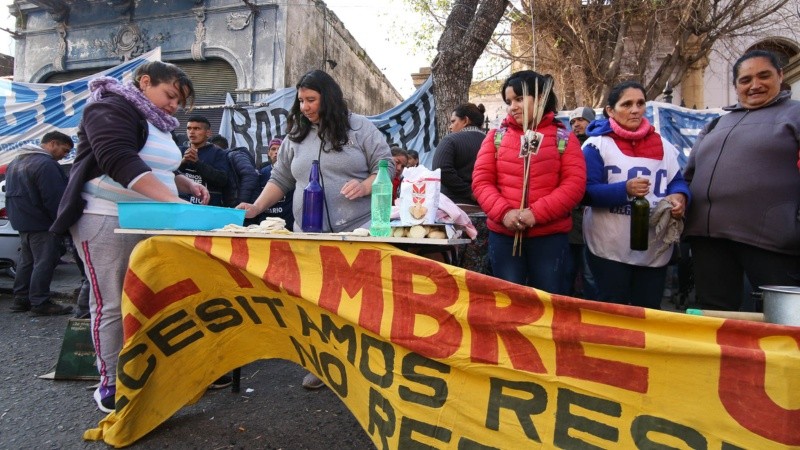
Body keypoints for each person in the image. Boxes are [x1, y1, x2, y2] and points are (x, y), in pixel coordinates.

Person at [49, 61, 213, 413]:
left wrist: (184, 183)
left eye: (179, 102)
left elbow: (158, 167)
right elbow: (118, 158)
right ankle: (110, 383)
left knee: (150, 299)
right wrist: (172, 199)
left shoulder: (158, 122)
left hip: (151, 220)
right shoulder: (107, 106)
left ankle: (145, 369)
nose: (173, 106)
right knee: (111, 301)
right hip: (107, 218)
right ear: (145, 81)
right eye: (169, 95)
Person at [237, 69, 393, 389]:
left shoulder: (360, 128)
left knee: (357, 303)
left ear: (329, 98)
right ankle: (322, 363)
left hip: (357, 232)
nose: (305, 107)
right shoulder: (296, 133)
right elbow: (281, 178)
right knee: (314, 303)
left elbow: (386, 166)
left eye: (311, 100)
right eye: (301, 100)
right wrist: (255, 208)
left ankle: (366, 367)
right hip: (307, 235)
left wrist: (365, 186)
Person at [683, 50, 800, 311]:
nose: (755, 85)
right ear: (736, 86)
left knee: (776, 321)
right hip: (708, 240)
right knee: (714, 317)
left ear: (780, 76)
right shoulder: (715, 124)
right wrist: (678, 197)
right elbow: (687, 176)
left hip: (772, 242)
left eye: (764, 76)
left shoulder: (795, 115)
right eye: (746, 80)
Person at [472, 70, 586, 294]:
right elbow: (481, 182)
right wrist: (505, 213)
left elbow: (574, 185)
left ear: (541, 97)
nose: (513, 106)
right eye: (509, 101)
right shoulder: (496, 136)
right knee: (508, 300)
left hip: (549, 238)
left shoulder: (564, 138)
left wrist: (536, 213)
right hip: (504, 236)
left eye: (519, 99)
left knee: (547, 300)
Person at [582, 80, 690, 309]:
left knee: (648, 311)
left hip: (653, 247)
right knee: (613, 312)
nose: (635, 110)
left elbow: (677, 181)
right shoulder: (596, 145)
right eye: (627, 104)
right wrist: (624, 190)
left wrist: (680, 197)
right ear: (610, 110)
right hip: (609, 248)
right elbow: (585, 192)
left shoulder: (663, 144)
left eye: (640, 103)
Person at [6, 131, 74, 315]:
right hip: (42, 222)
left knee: (27, 261)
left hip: (22, 221)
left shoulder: (16, 162)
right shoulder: (46, 164)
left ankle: (21, 299)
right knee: (44, 261)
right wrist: (62, 223)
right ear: (52, 143)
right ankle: (40, 302)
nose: (64, 156)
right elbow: (54, 199)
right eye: (65, 150)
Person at [566, 106, 597, 299]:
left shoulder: (597, 145)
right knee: (568, 268)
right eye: (573, 122)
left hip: (591, 215)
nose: (576, 124)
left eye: (581, 120)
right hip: (571, 218)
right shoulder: (569, 145)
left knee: (590, 271)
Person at [431, 103, 486, 206]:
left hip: (453, 206)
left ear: (465, 120)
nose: (450, 127)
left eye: (453, 121)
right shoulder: (492, 143)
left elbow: (441, 170)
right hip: (486, 206)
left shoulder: (450, 140)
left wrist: (470, 193)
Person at [179, 115, 232, 206]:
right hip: (180, 204)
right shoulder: (179, 150)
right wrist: (182, 162)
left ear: (208, 133)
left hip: (207, 206)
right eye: (189, 128)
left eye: (197, 129)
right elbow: (168, 174)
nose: (191, 132)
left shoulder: (218, 153)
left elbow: (222, 180)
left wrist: (197, 163)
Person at [209, 134, 260, 207]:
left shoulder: (234, 155)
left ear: (214, 147)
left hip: (244, 207)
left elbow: (250, 175)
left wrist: (241, 202)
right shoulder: (220, 160)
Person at [257, 138, 294, 229]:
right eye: (273, 149)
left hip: (287, 223)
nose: (276, 152)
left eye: (279, 149)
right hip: (266, 224)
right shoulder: (262, 173)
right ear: (268, 153)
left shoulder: (292, 172)